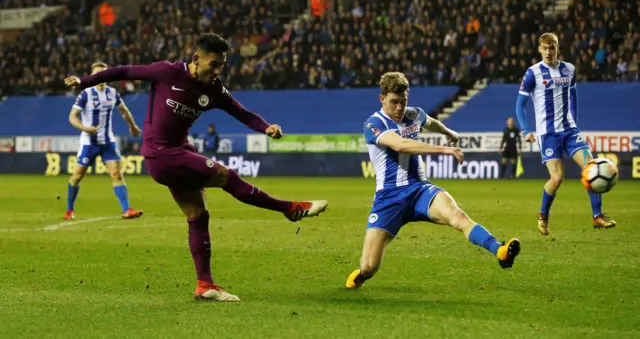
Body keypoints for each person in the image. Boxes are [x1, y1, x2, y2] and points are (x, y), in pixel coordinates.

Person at [64, 33, 328, 302]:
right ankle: (289, 208)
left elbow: (242, 113)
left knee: (198, 215)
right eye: (213, 64)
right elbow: (123, 71)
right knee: (227, 176)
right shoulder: (166, 72)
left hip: (179, 152)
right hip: (161, 154)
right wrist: (84, 82)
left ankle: (205, 285)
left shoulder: (214, 89)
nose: (218, 71)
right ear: (195, 59)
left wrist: (266, 127)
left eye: (222, 65)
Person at [345, 72, 520, 289]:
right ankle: (362, 273)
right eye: (394, 102)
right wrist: (444, 148)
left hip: (420, 191)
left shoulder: (413, 114)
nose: (399, 108)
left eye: (403, 102)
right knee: (370, 265)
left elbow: (429, 121)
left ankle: (499, 250)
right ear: (382, 99)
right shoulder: (374, 124)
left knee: (457, 215)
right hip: (389, 198)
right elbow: (400, 145)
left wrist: (448, 132)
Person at [515, 32, 615, 236]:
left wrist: (574, 123)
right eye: (545, 48)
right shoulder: (533, 73)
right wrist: (526, 129)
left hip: (569, 131)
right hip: (548, 134)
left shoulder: (569, 69)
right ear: (539, 49)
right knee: (557, 178)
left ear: (557, 48)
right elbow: (520, 104)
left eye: (552, 48)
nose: (549, 52)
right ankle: (543, 214)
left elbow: (573, 96)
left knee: (591, 167)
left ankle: (597, 216)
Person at [66, 62, 143, 220]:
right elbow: (72, 117)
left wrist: (133, 126)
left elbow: (124, 111)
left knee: (116, 174)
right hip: (89, 142)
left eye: (103, 73)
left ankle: (126, 209)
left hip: (108, 141)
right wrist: (84, 128)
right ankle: (69, 210)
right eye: (96, 74)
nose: (100, 77)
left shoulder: (113, 93)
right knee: (78, 176)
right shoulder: (86, 94)